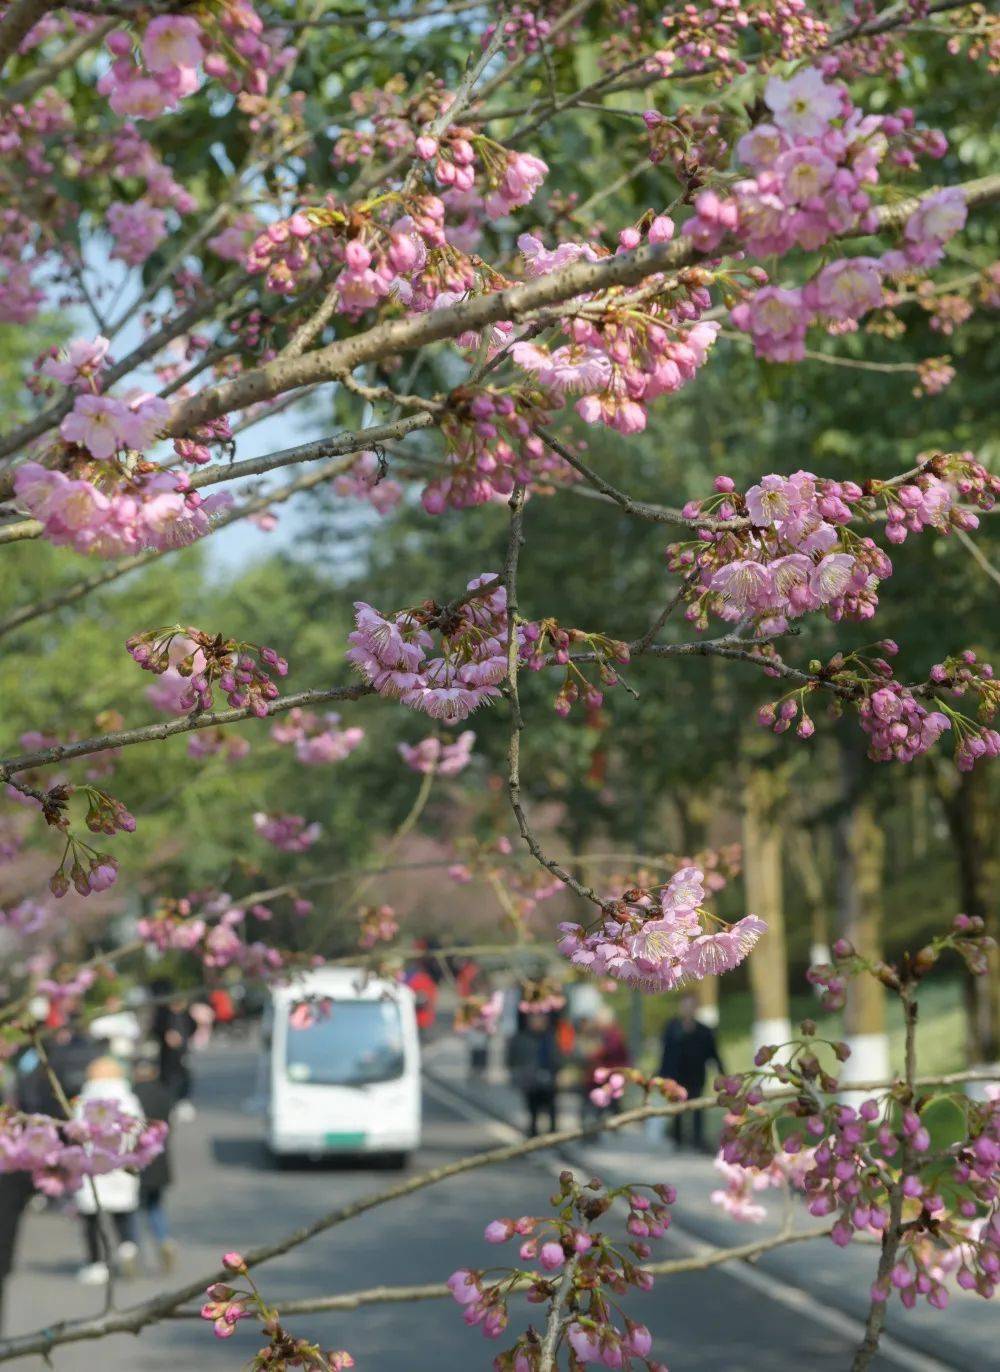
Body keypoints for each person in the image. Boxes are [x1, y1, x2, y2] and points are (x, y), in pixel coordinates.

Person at [73, 1057, 143, 1285]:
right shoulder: (128, 1098)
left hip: (93, 1165)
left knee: (92, 1217)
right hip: (121, 1164)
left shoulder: (85, 1100)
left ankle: (98, 1263)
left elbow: (77, 1132)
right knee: (123, 1211)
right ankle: (127, 1247)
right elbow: (137, 1129)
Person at [658, 994, 723, 1151]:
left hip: (696, 1075)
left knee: (697, 1106)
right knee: (678, 1108)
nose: (688, 1009)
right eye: (685, 1006)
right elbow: (665, 1052)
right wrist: (662, 1075)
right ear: (681, 1008)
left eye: (691, 1006)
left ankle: (697, 1139)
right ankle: (678, 1139)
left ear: (696, 1008)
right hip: (676, 1075)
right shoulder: (672, 1027)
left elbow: (713, 1053)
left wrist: (722, 1072)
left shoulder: (705, 1030)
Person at [131, 1057, 176, 1271]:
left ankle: (132, 1250)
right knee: (155, 1206)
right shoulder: (164, 1093)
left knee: (133, 1209)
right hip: (159, 1161)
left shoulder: (131, 1095)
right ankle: (164, 1240)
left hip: (136, 1162)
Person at [507, 1011, 560, 1137]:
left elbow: (557, 1056)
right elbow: (513, 1058)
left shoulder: (550, 1037)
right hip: (530, 1079)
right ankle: (533, 1131)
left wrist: (557, 1070)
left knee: (551, 1106)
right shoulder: (522, 1038)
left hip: (548, 1077)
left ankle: (552, 1132)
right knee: (532, 1107)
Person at [580, 1005, 630, 1130]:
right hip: (594, 1077)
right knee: (592, 1107)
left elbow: (607, 1052)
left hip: (608, 1076)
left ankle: (600, 1128)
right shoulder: (595, 1032)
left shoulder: (614, 1035)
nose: (597, 1022)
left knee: (601, 1106)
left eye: (600, 1019)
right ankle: (592, 1130)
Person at [151, 992, 197, 1120]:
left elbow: (193, 1027)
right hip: (167, 1055)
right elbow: (156, 1029)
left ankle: (182, 1101)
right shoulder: (164, 1016)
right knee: (168, 1080)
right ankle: (169, 1104)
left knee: (184, 1077)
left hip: (182, 1052)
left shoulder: (185, 1015)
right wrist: (166, 1034)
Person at [89, 993, 142, 1060]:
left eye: (115, 1004)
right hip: (104, 1055)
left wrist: (118, 1032)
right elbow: (95, 1032)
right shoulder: (101, 1019)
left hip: (123, 1054)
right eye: (111, 1004)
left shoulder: (127, 1017)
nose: (113, 1006)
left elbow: (135, 1032)